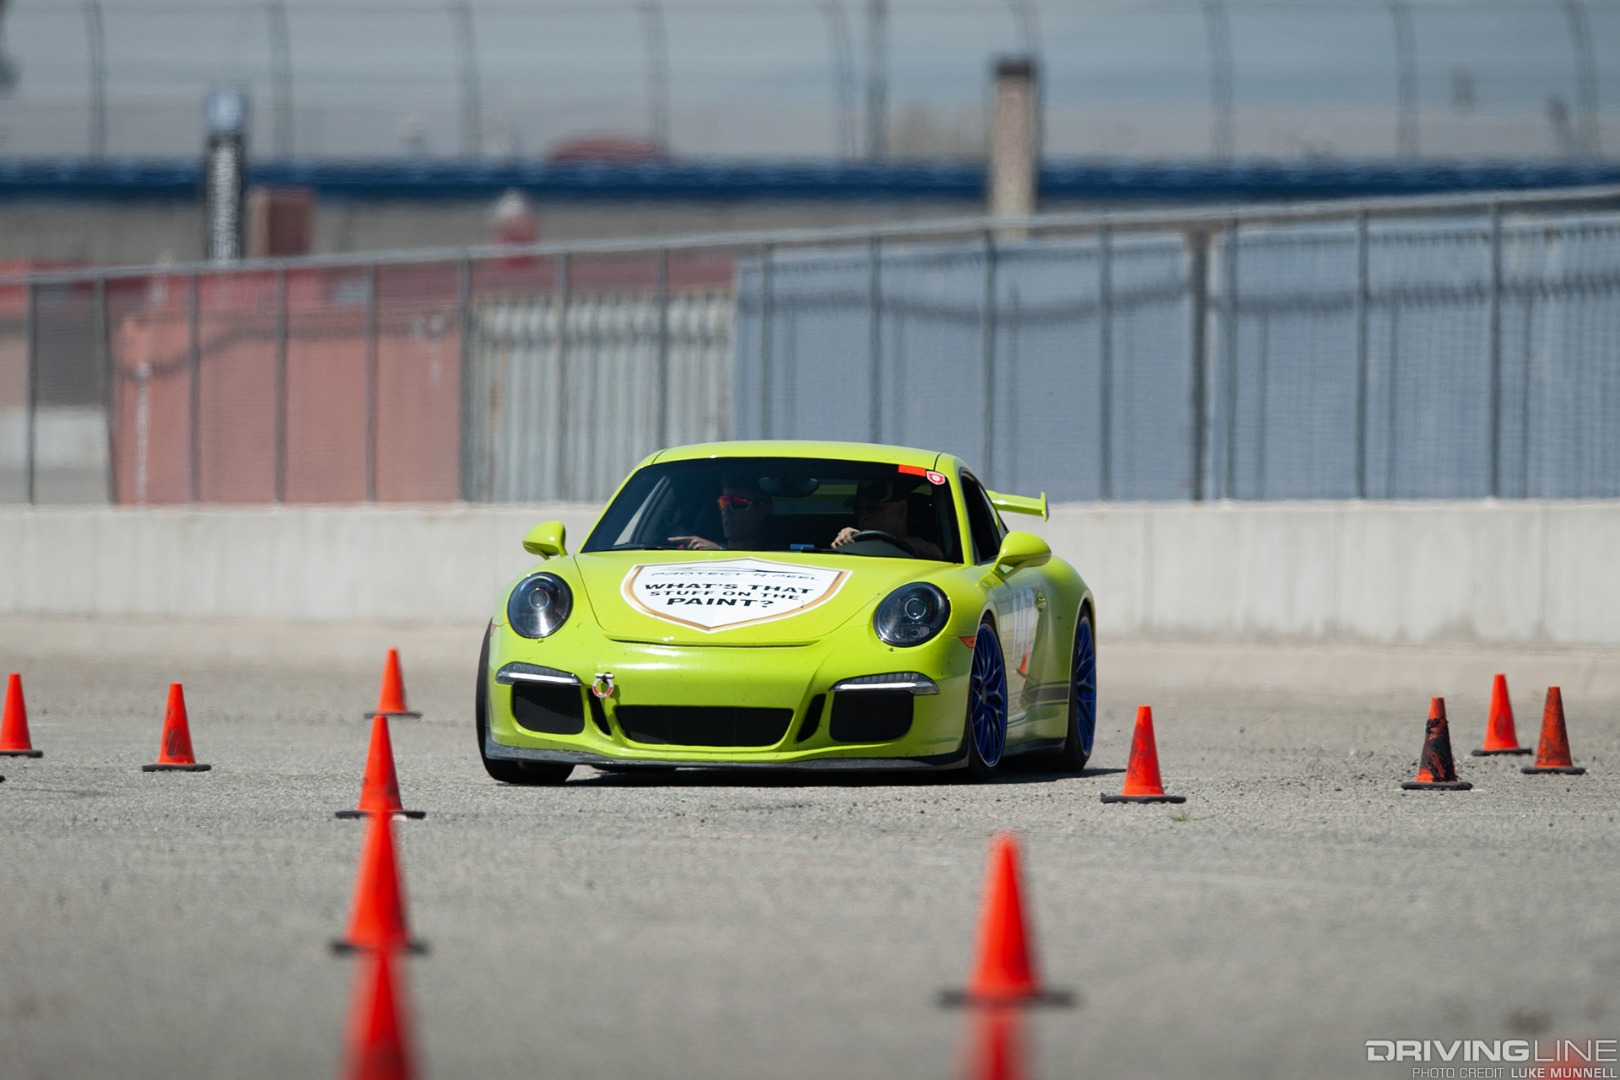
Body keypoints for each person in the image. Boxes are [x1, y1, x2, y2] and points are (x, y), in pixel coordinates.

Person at [831, 478, 944, 560]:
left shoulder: (934, 538)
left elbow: (937, 555)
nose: (864, 516)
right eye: (858, 509)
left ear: (901, 509)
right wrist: (844, 539)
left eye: (873, 508)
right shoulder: (852, 533)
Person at [670, 478, 773, 550]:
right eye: (723, 502)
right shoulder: (695, 550)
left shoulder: (783, 557)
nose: (727, 511)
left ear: (762, 510)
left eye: (737, 503)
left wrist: (719, 551)